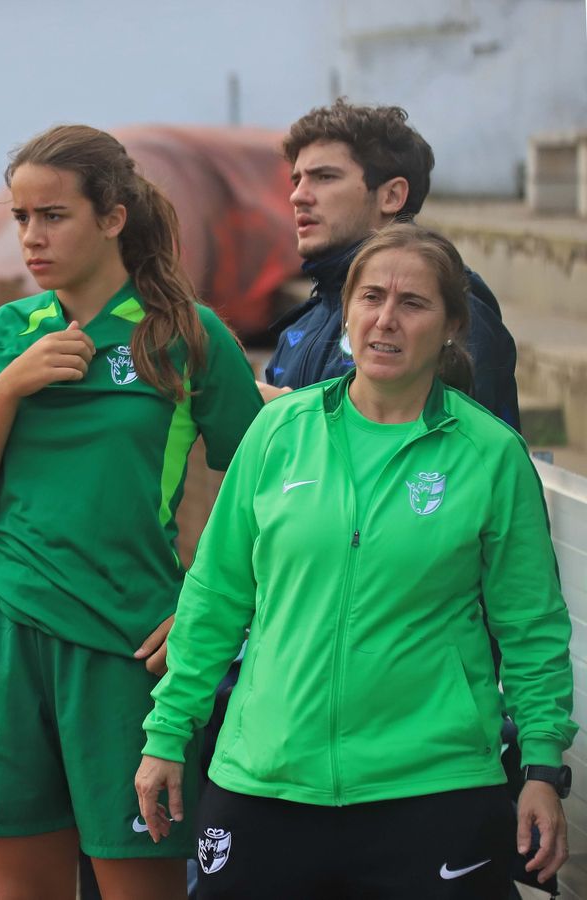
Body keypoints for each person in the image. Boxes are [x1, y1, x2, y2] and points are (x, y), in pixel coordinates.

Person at [137, 224, 575, 899]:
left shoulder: (491, 455)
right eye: (371, 297)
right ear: (346, 311)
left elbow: (531, 625)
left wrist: (543, 770)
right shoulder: (280, 433)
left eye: (413, 303)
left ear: (453, 324)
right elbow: (216, 593)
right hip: (267, 774)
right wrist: (168, 734)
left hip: (435, 786)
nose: (386, 319)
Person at [0, 124, 264, 900]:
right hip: (8, 644)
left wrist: (211, 613)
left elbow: (271, 493)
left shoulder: (184, 335)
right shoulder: (7, 334)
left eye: (54, 216)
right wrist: (10, 387)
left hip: (129, 648)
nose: (31, 238)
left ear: (113, 217)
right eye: (20, 218)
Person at [262, 99, 519, 430]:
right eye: (296, 180)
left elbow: (456, 452)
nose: (298, 196)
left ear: (391, 196)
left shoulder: (453, 307)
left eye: (324, 177)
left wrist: (289, 416)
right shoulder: (303, 325)